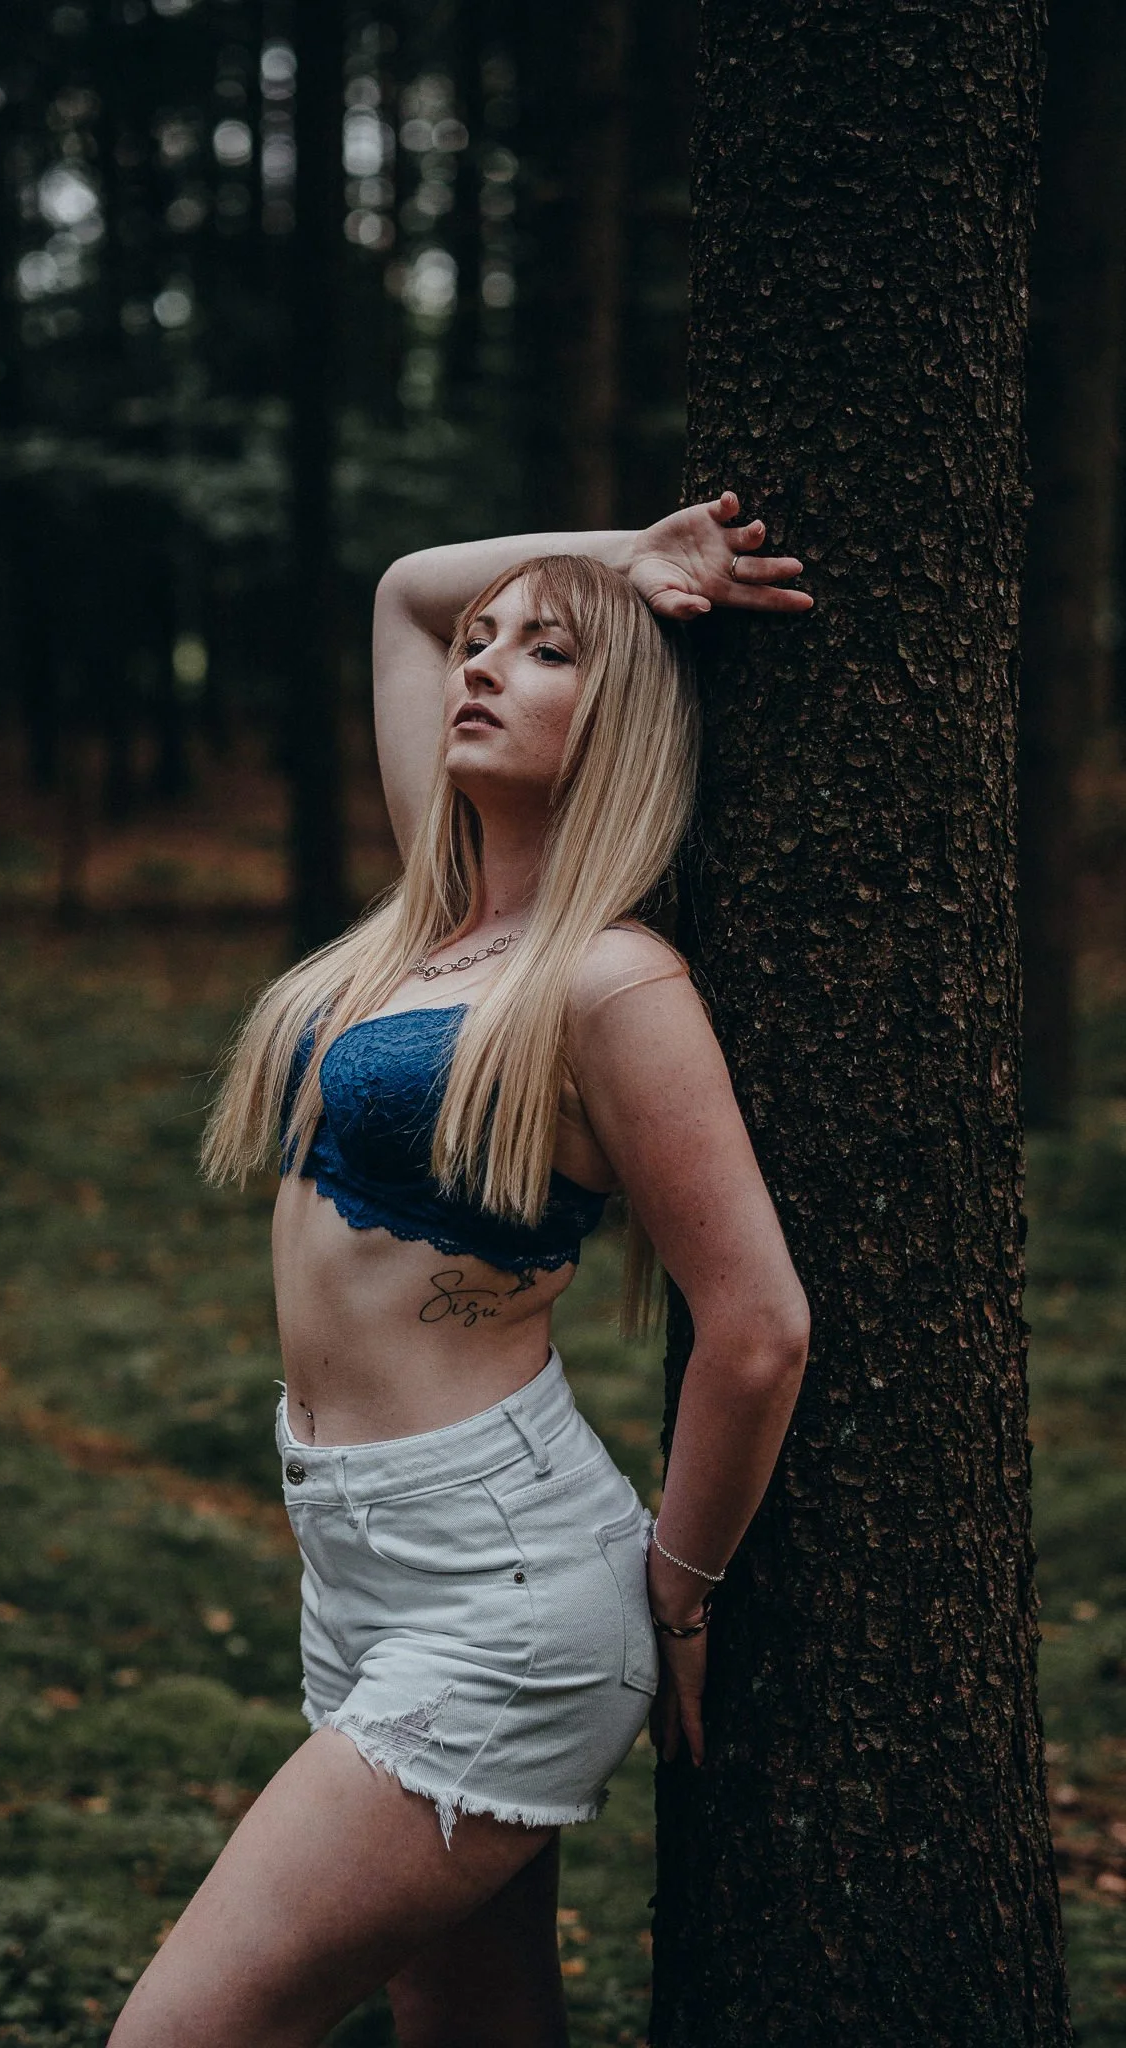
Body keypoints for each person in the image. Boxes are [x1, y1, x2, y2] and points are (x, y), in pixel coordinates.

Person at [109, 492, 813, 2048]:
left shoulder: (614, 979)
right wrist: (628, 555)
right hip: (356, 1566)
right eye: (486, 649)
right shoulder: (434, 915)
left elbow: (758, 1327)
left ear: (622, 711)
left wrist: (682, 1602)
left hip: (504, 1586)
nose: (481, 663)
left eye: (546, 653)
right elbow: (407, 594)